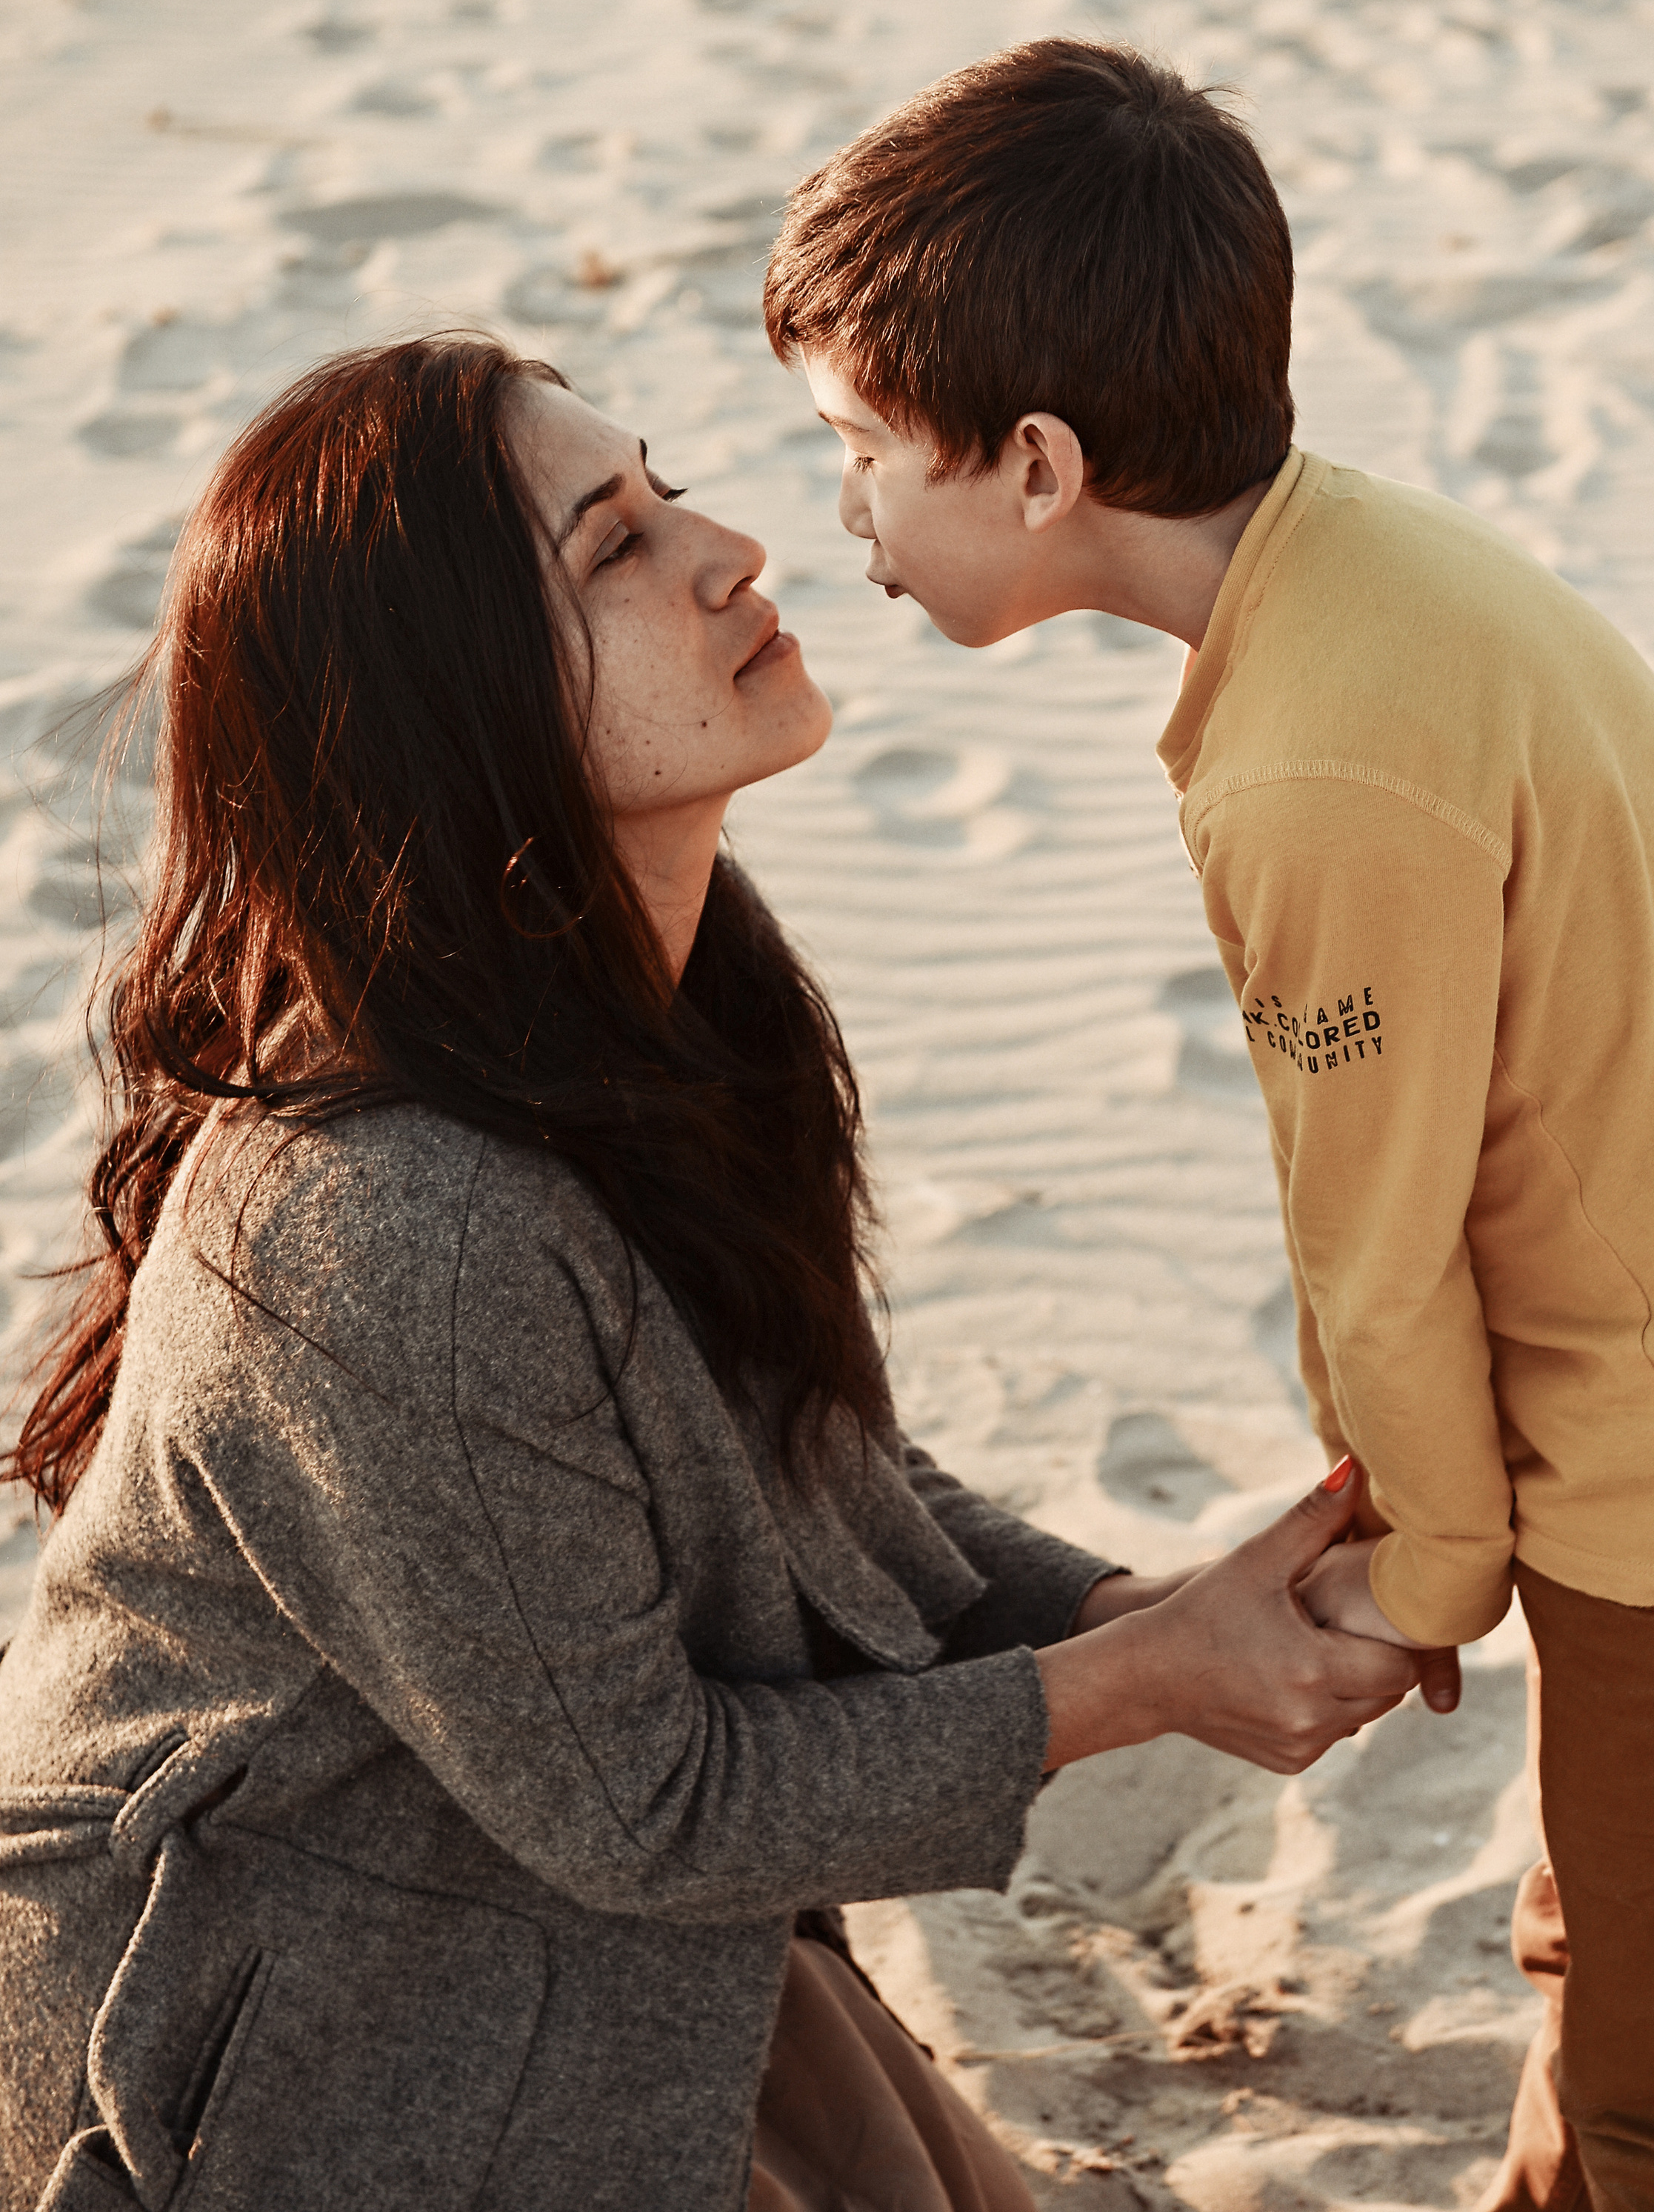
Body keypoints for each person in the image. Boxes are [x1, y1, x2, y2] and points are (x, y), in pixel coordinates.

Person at [0, 335, 1421, 2212]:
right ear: (459, 708)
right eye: (614, 549)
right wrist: (1144, 1680)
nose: (735, 549)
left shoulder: (655, 999)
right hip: (293, 2071)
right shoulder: (388, 1225)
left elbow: (802, 1454)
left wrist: (1125, 1601)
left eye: (666, 493)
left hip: (556, 1928)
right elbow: (649, 1805)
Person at [761, 39, 1654, 2210]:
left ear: (1032, 465)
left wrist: (1430, 1577)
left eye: (858, 450)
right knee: (1635, 1931)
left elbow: (1383, 1244)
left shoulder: (1310, 770)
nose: (845, 513)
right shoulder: (1373, 568)